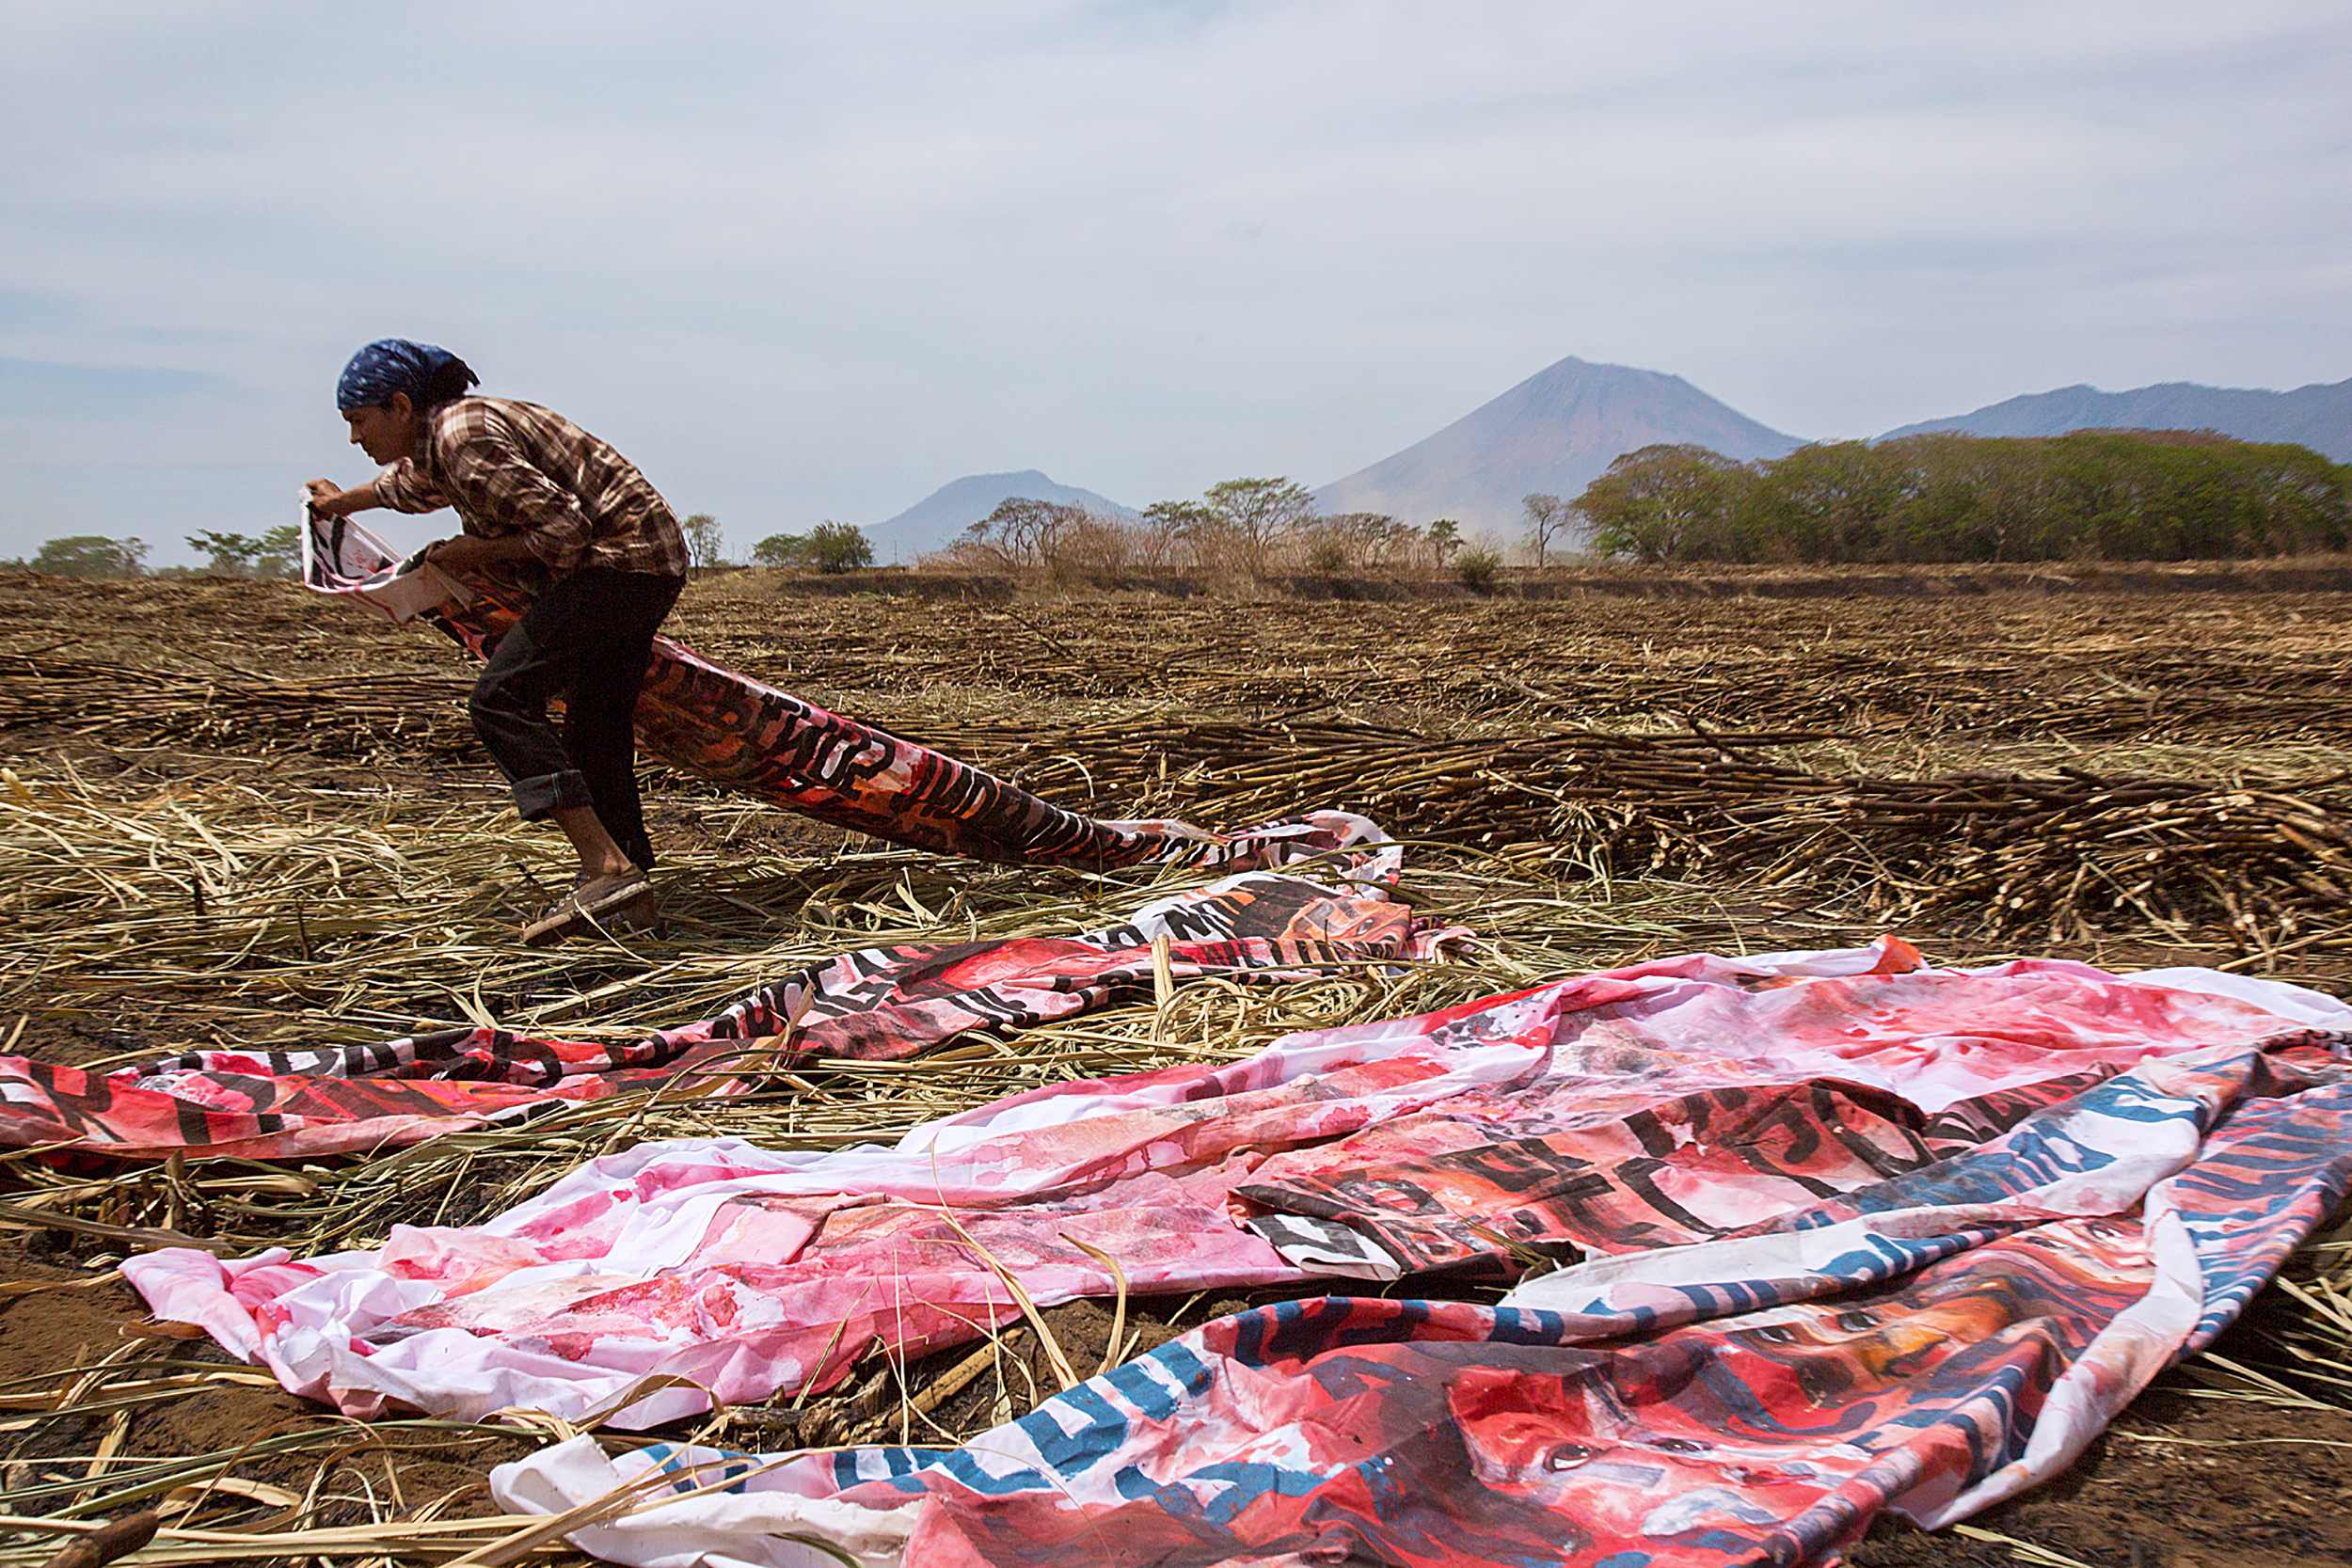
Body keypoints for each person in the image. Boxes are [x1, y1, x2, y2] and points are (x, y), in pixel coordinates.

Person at [304, 339, 691, 945]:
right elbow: (406, 489)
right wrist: (338, 504)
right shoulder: (443, 441)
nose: (355, 439)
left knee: (500, 700)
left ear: (401, 406)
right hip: (646, 564)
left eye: (358, 421)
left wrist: (469, 552)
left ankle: (606, 867)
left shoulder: (463, 438)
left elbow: (564, 528)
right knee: (594, 725)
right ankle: (630, 891)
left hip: (619, 567)